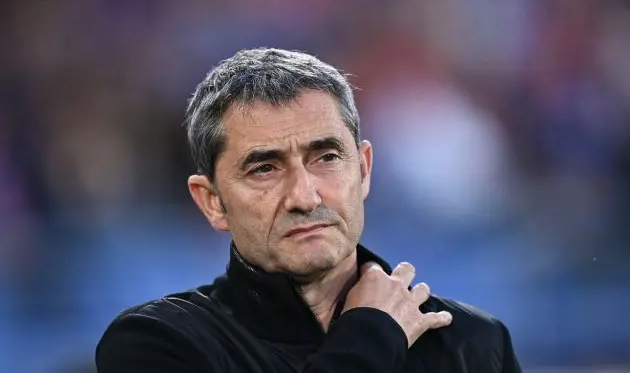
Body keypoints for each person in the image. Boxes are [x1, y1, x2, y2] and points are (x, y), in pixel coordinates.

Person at [95, 48, 522, 372]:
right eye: (264, 168)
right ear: (213, 202)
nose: (305, 196)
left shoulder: (473, 345)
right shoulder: (157, 345)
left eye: (327, 158)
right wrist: (370, 335)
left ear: (365, 170)